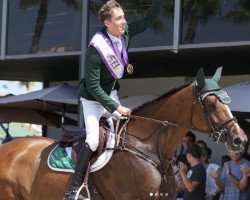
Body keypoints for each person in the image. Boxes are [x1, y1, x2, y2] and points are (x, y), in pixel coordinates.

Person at [63, 0, 164, 199]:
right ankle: (74, 190)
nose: (124, 22)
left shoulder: (125, 33)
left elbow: (148, 20)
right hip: (92, 100)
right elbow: (93, 86)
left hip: (110, 94)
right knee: (92, 141)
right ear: (107, 23)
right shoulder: (96, 47)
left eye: (124, 17)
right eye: (119, 18)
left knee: (127, 133)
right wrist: (116, 107)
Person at [175, 131, 196, 199]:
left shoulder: (196, 158)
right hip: (178, 194)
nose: (186, 143)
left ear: (193, 143)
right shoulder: (180, 157)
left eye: (188, 141)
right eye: (184, 141)